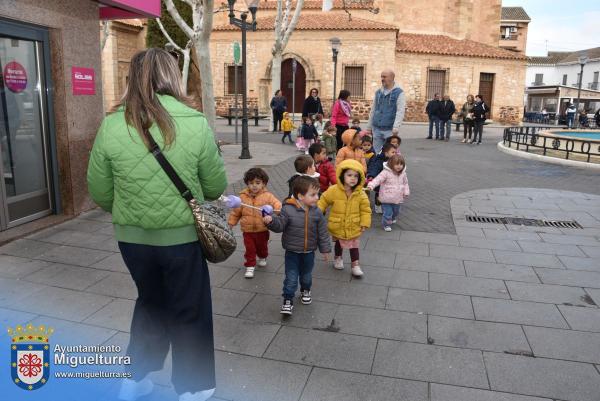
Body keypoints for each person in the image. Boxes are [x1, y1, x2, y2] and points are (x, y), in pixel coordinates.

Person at [87, 48, 226, 401]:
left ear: (132, 78)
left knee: (150, 302)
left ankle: (134, 380)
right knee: (189, 307)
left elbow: (100, 192)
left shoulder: (112, 123)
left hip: (132, 241)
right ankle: (192, 388)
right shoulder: (194, 122)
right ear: (171, 76)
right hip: (181, 239)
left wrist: (132, 211)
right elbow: (214, 187)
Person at [264, 176, 331, 315]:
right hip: (292, 252)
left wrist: (325, 249)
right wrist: (270, 221)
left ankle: (305, 289)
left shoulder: (317, 212)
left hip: (309, 252)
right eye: (313, 195)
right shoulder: (288, 210)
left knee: (306, 275)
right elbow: (280, 225)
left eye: (317, 194)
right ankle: (288, 299)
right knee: (291, 277)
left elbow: (322, 232)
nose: (317, 197)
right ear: (300, 196)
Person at [318, 159, 371, 277]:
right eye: (349, 175)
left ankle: (355, 264)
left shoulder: (361, 194)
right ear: (342, 175)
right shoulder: (333, 190)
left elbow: (366, 209)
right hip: (338, 224)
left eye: (356, 176)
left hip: (354, 225)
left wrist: (364, 223)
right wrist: (318, 211)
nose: (353, 178)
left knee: (354, 246)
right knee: (338, 243)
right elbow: (323, 200)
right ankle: (338, 258)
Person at [228, 168, 282, 279]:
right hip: (247, 230)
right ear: (247, 183)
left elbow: (277, 204)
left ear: (263, 184)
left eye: (257, 183)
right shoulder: (242, 197)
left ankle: (263, 257)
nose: (254, 186)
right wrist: (231, 223)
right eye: (251, 183)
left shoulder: (268, 196)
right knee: (250, 249)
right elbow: (236, 212)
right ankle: (250, 265)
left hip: (262, 229)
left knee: (262, 247)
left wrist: (278, 210)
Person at [364, 69, 406, 152]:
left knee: (390, 152)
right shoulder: (378, 92)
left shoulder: (399, 92)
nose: (382, 79)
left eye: (384, 77)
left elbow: (400, 111)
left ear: (391, 78)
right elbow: (373, 109)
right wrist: (369, 127)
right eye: (381, 77)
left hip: (389, 129)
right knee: (376, 152)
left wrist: (396, 127)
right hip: (376, 128)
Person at [366, 154, 409, 232]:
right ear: (391, 164)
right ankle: (386, 224)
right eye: (397, 164)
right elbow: (378, 179)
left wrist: (406, 191)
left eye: (401, 164)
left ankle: (392, 218)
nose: (399, 166)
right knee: (388, 213)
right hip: (386, 198)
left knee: (396, 212)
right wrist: (371, 185)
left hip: (397, 198)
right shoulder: (385, 173)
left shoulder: (403, 174)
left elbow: (405, 183)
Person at [366, 142, 397, 214]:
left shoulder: (394, 160)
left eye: (395, 152)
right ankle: (378, 206)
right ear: (386, 153)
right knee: (379, 195)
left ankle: (387, 206)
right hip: (381, 182)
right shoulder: (379, 161)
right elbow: (375, 169)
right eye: (393, 152)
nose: (394, 154)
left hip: (390, 183)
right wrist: (371, 176)